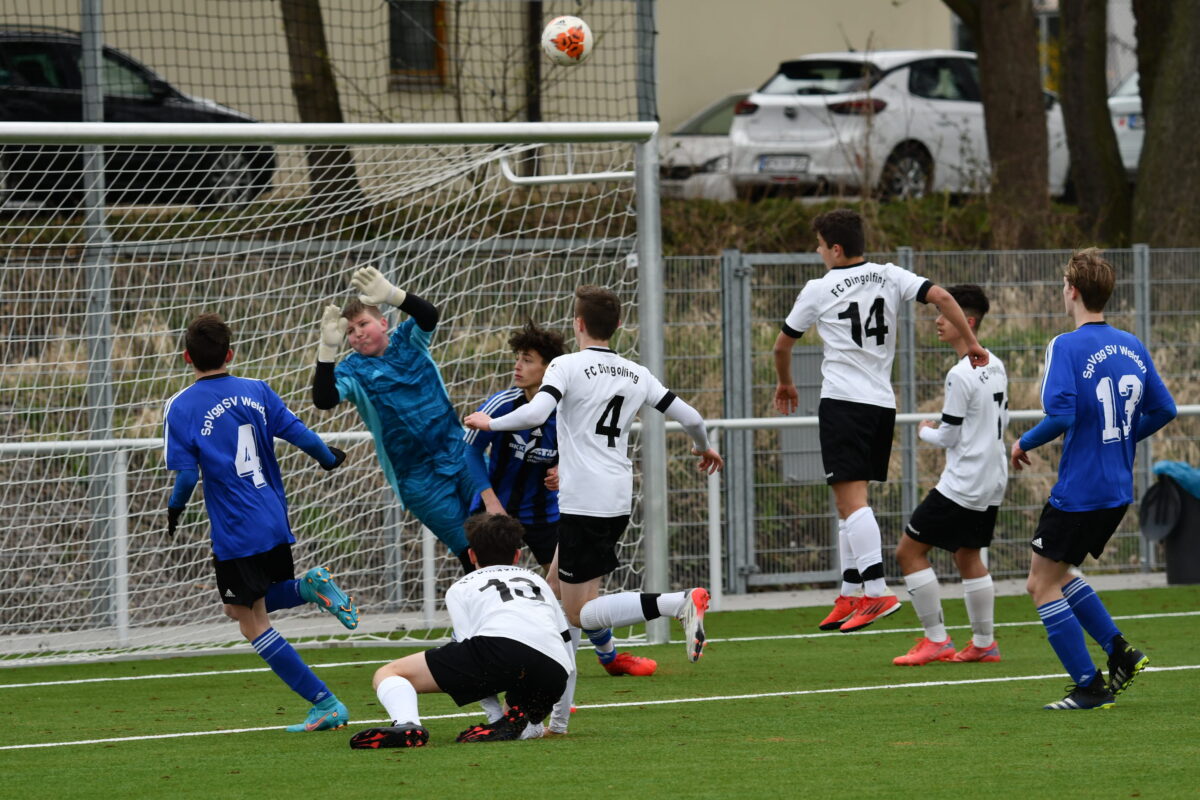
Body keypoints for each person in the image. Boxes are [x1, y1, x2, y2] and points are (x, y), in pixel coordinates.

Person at [464, 285, 722, 685]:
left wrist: (490, 423)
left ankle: (678, 603)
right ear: (617, 325)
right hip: (617, 498)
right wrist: (703, 448)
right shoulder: (638, 373)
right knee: (553, 586)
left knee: (579, 613)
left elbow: (536, 413)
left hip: (582, 501)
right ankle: (558, 683)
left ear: (578, 324)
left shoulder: (566, 366)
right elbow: (692, 418)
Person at [772, 208, 988, 633]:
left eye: (820, 245)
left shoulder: (819, 288)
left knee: (852, 503)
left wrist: (786, 383)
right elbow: (943, 298)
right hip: (881, 405)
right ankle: (850, 592)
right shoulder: (890, 274)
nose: (818, 252)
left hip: (843, 403)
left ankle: (875, 590)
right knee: (847, 504)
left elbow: (782, 346)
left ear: (836, 249)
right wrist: (972, 342)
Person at [163, 313, 358, 733]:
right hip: (272, 517)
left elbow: (186, 476)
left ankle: (325, 703)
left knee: (252, 623)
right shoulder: (257, 390)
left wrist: (174, 509)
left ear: (187, 357)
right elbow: (299, 432)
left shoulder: (181, 405)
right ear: (230, 354)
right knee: (236, 607)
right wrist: (328, 458)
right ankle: (308, 589)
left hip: (237, 530)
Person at [1012, 248, 1175, 710]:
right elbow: (1164, 409)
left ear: (1072, 290)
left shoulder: (1065, 345)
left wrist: (1023, 442)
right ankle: (1121, 652)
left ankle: (1090, 685)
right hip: (1116, 489)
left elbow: (1062, 415)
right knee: (1061, 573)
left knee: (1040, 584)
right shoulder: (1132, 345)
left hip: (1080, 491)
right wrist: (1121, 436)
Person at [312, 266, 489, 574]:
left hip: (460, 454)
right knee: (468, 552)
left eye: (363, 324)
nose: (358, 333)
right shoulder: (352, 370)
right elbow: (323, 399)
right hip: (416, 478)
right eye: (350, 331)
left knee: (495, 531)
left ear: (383, 323)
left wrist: (394, 295)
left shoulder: (409, 340)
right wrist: (327, 350)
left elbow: (429, 316)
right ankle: (481, 603)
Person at [349, 513, 574, 748]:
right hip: (554, 669)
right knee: (521, 715)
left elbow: (477, 665)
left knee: (389, 673)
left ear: (472, 554)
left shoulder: (461, 587)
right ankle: (522, 726)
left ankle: (407, 724)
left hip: (500, 651)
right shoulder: (537, 581)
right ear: (517, 555)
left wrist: (493, 715)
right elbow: (567, 648)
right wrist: (558, 726)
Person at [893, 284, 1007, 666]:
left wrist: (923, 431)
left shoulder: (960, 373)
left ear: (967, 321)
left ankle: (936, 639)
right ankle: (984, 643)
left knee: (908, 551)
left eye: (944, 314)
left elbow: (950, 436)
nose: (938, 321)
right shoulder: (996, 363)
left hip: (965, 480)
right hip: (993, 477)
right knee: (967, 553)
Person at [464, 321, 567, 573]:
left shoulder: (568, 410)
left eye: (527, 360)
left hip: (545, 513)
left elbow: (580, 452)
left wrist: (562, 470)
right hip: (497, 510)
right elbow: (470, 451)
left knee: (564, 584)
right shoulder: (502, 404)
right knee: (490, 580)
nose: (517, 366)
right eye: (518, 358)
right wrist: (491, 502)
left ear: (549, 369)